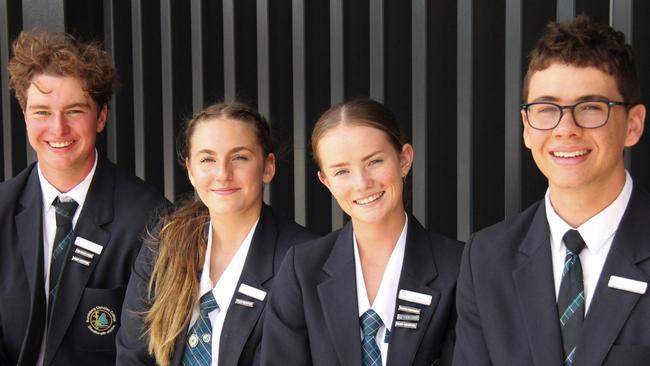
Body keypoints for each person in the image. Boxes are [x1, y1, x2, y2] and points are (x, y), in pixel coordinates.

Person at [453, 15, 648, 366]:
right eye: (547, 109)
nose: (566, 129)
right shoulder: (486, 259)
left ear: (633, 125)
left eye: (590, 108)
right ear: (527, 128)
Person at [0, 31, 166, 366]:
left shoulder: (148, 217)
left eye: (74, 111)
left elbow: (139, 353)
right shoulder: (1, 208)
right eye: (42, 112)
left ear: (101, 117)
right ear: (24, 115)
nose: (58, 129)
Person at [261, 98, 463, 366]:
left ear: (404, 159)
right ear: (326, 181)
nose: (362, 183)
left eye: (374, 161)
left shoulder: (459, 266)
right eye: (342, 171)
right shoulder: (303, 269)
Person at [116, 102, 317, 365]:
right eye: (208, 159)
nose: (223, 174)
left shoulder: (300, 257)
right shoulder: (164, 242)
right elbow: (133, 356)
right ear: (190, 170)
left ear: (268, 167)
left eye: (239, 157)